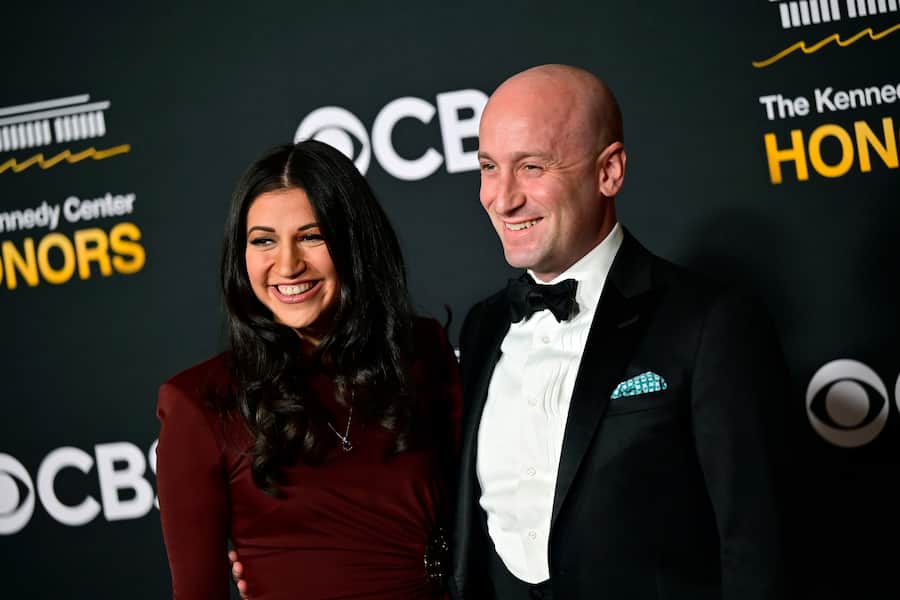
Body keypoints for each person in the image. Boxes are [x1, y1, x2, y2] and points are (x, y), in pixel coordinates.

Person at [450, 64, 788, 599]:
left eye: (532, 167)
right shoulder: (482, 324)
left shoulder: (707, 321)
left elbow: (755, 545)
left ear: (609, 171)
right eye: (489, 167)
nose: (502, 197)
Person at [155, 140, 461, 600]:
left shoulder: (421, 350)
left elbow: (481, 512)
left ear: (353, 243)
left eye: (312, 236)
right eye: (263, 241)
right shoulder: (200, 401)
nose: (288, 265)